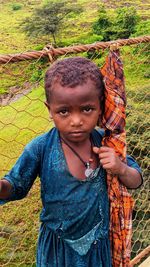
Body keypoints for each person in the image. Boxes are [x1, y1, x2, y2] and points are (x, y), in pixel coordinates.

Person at [0, 57, 142, 267]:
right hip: (58, 252)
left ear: (101, 106)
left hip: (98, 248)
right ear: (49, 109)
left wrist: (120, 168)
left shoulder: (107, 142)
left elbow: (137, 180)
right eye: (64, 111)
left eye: (86, 109)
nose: (76, 121)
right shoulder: (40, 148)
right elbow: (15, 186)